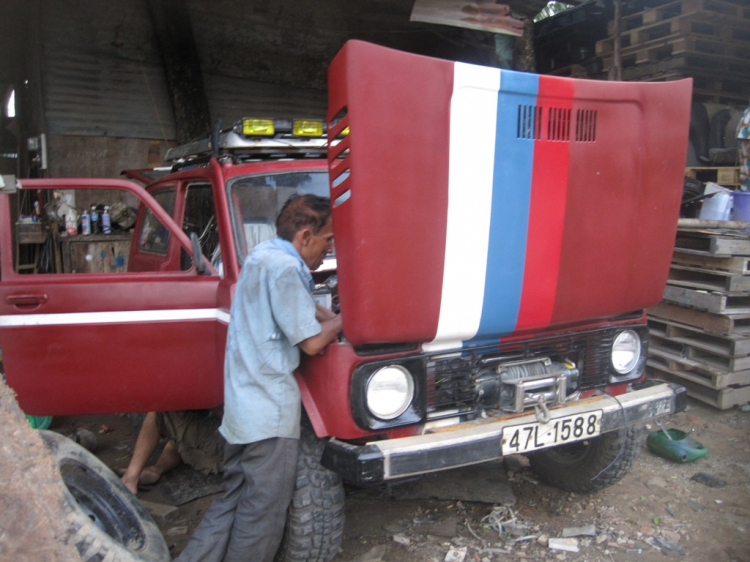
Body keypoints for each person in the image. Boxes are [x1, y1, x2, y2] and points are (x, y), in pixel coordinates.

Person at [175, 194, 342, 562]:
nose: (328, 248)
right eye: (327, 240)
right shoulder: (286, 268)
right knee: (262, 512)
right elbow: (312, 344)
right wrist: (346, 320)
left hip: (241, 405)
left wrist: (327, 316)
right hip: (269, 412)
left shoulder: (263, 255)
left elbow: (295, 304)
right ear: (304, 236)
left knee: (233, 498)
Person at [120, 409, 224, 495]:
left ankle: (130, 479)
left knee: (158, 412)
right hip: (225, 460)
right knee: (180, 437)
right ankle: (156, 469)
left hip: (230, 444)